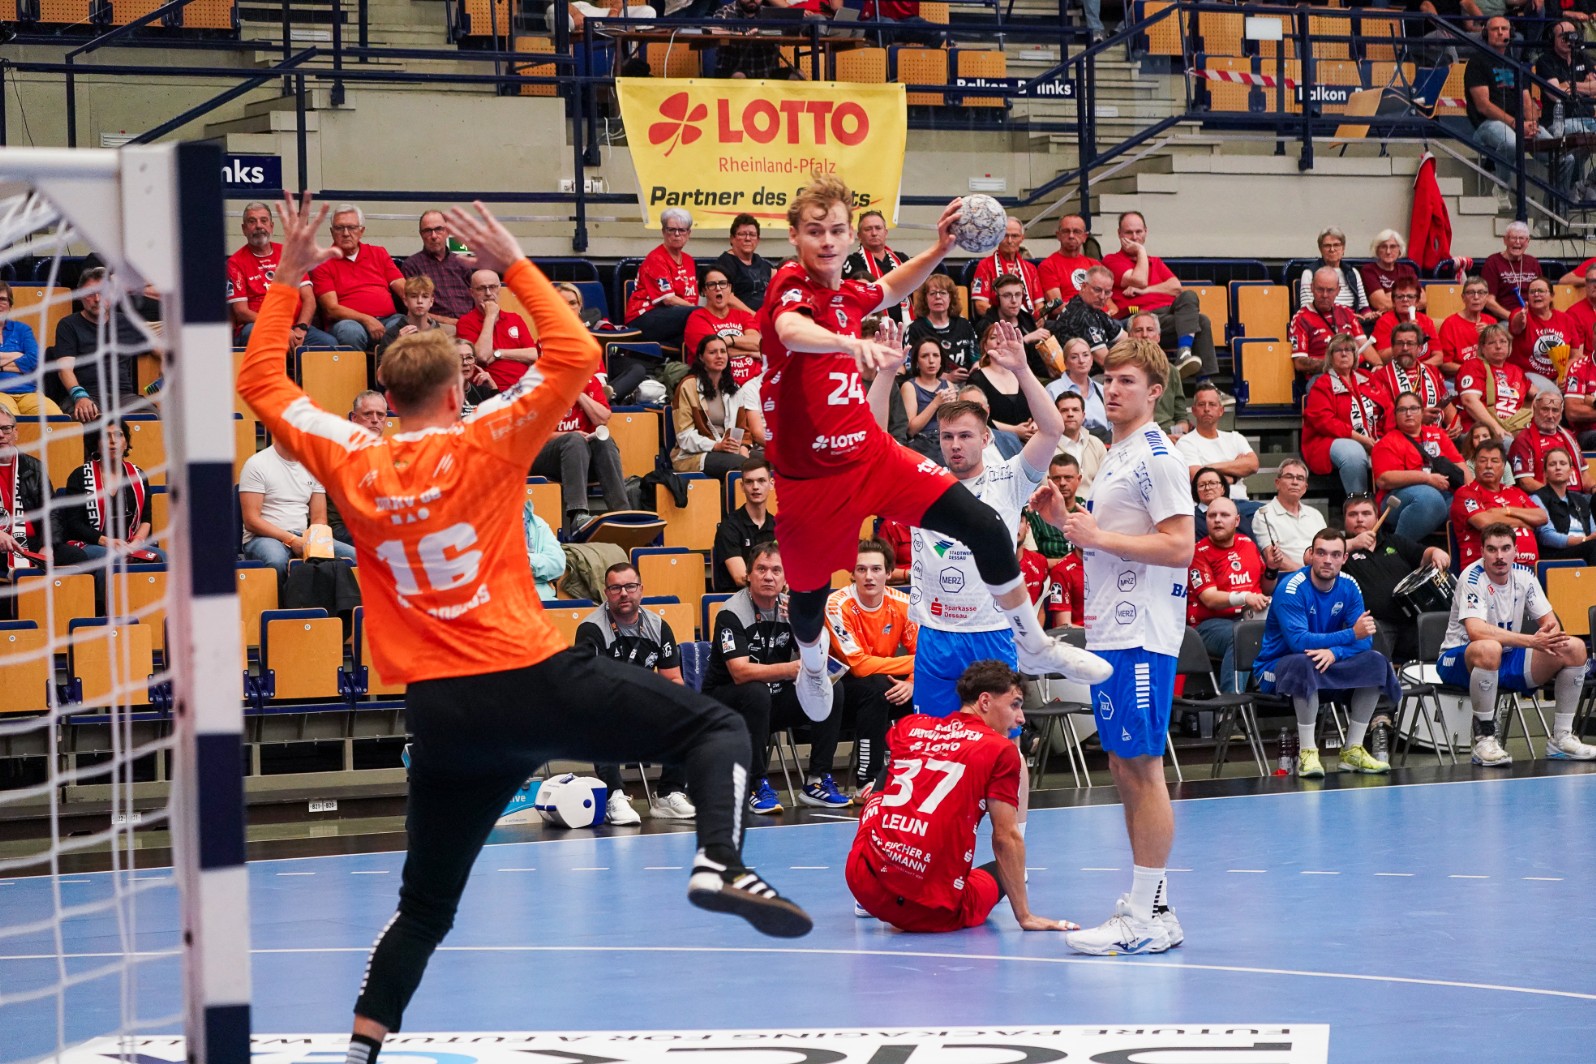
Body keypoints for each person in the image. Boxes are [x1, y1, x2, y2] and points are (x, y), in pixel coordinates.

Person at [237, 195, 812, 1063]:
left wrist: (285, 280)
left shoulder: (349, 456)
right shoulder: (484, 438)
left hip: (440, 713)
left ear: (386, 396)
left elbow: (260, 384)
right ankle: (719, 861)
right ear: (456, 388)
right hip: (526, 677)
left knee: (424, 907)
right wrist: (513, 263)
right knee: (717, 727)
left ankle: (361, 1051)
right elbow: (576, 353)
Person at [757, 175, 1108, 735]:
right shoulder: (791, 285)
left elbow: (890, 286)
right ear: (795, 235)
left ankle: (1034, 643)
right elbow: (789, 329)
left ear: (851, 237)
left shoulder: (849, 293)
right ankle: (815, 664)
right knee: (807, 596)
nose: (827, 241)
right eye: (815, 231)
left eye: (837, 231)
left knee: (985, 525)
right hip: (810, 479)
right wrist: (850, 343)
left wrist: (941, 249)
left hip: (870, 455)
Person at [1030, 337, 1191, 957]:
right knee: (1124, 766)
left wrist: (1097, 535)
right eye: (1110, 380)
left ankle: (1146, 917)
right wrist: (1067, 520)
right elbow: (1114, 538)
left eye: (1128, 381)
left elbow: (1179, 546)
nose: (1114, 389)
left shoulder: (1157, 456)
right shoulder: (1119, 453)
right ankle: (1155, 907)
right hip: (1111, 629)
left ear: (1154, 392)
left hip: (1142, 632)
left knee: (1142, 768)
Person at [846, 660, 1079, 934]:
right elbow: (1005, 838)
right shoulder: (1000, 750)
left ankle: (877, 880)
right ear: (985, 701)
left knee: (885, 784)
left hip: (864, 882)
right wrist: (1025, 916)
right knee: (1001, 872)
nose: (1021, 719)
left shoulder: (911, 726)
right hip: (927, 911)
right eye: (1015, 705)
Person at [906, 334, 1063, 719]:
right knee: (935, 740)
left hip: (992, 630)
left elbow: (1051, 430)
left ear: (986, 437)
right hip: (936, 632)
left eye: (965, 435)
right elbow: (874, 442)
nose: (955, 445)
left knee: (1003, 742)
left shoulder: (1009, 478)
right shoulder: (921, 482)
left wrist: (1022, 369)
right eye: (947, 437)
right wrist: (886, 373)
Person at [702, 543, 850, 812]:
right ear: (748, 575)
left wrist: (802, 624)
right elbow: (740, 672)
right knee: (755, 691)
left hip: (771, 699)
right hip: (727, 702)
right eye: (761, 569)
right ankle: (755, 784)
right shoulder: (731, 613)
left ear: (786, 578)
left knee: (831, 689)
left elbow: (814, 658)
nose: (768, 576)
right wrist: (790, 670)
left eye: (776, 570)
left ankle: (817, 780)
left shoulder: (790, 608)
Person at [1437, 522, 1595, 766]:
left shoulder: (1525, 576)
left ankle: (1561, 738)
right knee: (1490, 648)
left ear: (1515, 550)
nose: (1499, 556)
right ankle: (1484, 739)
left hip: (1506, 656)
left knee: (1573, 648)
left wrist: (1550, 635)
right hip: (1458, 659)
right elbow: (1477, 632)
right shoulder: (1472, 576)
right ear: (1482, 551)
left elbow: (1551, 623)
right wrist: (1532, 641)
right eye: (1492, 549)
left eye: (1505, 548)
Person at [1254, 528, 1400, 779]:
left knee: (1375, 661)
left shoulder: (1349, 585)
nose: (1327, 560)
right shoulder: (1291, 588)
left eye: (1335, 555)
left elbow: (1365, 640)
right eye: (1321, 553)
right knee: (1305, 662)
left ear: (1344, 558)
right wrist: (1350, 634)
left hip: (1325, 662)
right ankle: (1308, 752)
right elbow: (1299, 642)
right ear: (1310, 555)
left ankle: (1352, 749)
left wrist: (1335, 652)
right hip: (1275, 668)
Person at [576, 562, 699, 824]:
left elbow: (673, 679)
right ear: (606, 593)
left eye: (630, 586)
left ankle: (669, 793)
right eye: (616, 588)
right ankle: (614, 795)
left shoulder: (658, 626)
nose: (624, 593)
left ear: (641, 590)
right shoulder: (591, 629)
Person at [825, 539, 918, 793]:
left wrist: (912, 682)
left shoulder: (904, 603)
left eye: (876, 569)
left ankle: (923, 776)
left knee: (936, 685)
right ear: (852, 573)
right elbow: (858, 666)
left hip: (885, 683)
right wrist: (915, 664)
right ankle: (868, 781)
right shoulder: (836, 604)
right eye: (861, 569)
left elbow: (925, 655)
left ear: (889, 573)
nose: (869, 576)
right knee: (876, 687)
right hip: (839, 690)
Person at [1101, 210, 1217, 380]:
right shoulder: (1111, 260)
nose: (1134, 237)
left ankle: (1186, 356)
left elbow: (1176, 288)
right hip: (1138, 317)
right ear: (1119, 234)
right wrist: (1141, 251)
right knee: (1201, 321)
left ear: (1145, 232)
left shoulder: (1155, 261)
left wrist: (1145, 291)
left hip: (1167, 316)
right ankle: (1202, 380)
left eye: (1139, 232)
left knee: (1190, 297)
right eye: (1129, 232)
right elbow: (1139, 280)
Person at [1341, 492, 1449, 664]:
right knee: (1374, 659)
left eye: (1366, 513)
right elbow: (1313, 558)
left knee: (1443, 647)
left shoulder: (1394, 542)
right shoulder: (1339, 551)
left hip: (1412, 621)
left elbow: (1423, 554)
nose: (1359, 519)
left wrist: (1436, 552)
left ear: (1377, 517)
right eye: (1353, 514)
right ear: (1345, 519)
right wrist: (1353, 543)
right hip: (1375, 625)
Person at [238, 432, 357, 583]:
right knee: (276, 561)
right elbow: (251, 520)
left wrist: (314, 543)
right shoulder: (256, 464)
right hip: (264, 537)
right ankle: (280, 599)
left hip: (303, 535)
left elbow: (319, 518)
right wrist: (292, 540)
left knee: (355, 557)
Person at [534, 357, 631, 536]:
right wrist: (569, 435)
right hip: (543, 458)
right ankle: (578, 515)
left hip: (579, 459)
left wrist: (577, 392)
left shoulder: (589, 381)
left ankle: (621, 512)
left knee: (604, 440)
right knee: (574, 439)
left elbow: (602, 419)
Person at [1188, 496, 1272, 693]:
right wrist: (1244, 597)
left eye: (1224, 515)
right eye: (1212, 515)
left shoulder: (1248, 544)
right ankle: (1231, 704)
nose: (1217, 520)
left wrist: (1272, 569)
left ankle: (1277, 693)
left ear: (1237, 521)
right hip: (1208, 625)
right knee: (1242, 634)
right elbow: (1209, 598)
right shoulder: (1198, 552)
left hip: (1248, 618)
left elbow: (1266, 589)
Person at [53, 267, 156, 423]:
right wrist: (80, 396)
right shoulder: (68, 325)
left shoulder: (126, 321)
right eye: (90, 293)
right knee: (87, 418)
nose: (97, 299)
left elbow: (157, 347)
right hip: (88, 395)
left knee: (153, 418)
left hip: (123, 396)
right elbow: (64, 369)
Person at [226, 201, 333, 347]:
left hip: (295, 327)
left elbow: (309, 299)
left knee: (329, 344)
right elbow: (241, 311)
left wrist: (301, 328)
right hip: (260, 326)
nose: (258, 226)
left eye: (264, 220)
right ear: (244, 229)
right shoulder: (235, 263)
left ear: (271, 226)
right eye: (252, 221)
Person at [1372, 390, 1471, 541]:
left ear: (1422, 411)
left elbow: (1460, 465)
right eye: (1402, 410)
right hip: (1398, 500)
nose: (1408, 413)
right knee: (1430, 498)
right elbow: (1384, 479)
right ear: (1395, 415)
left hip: (1444, 496)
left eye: (1413, 408)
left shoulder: (1438, 434)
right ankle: (1396, 548)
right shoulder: (1387, 442)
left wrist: (1472, 492)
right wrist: (1427, 478)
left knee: (1469, 504)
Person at [309, 204, 405, 351]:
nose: (346, 233)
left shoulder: (378, 253)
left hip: (388, 319)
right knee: (350, 331)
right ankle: (358, 368)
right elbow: (331, 308)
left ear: (361, 231)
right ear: (332, 232)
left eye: (352, 227)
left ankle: (387, 366)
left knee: (404, 326)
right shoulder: (323, 262)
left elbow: (404, 290)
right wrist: (366, 319)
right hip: (348, 323)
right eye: (339, 228)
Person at [0, 406, 80, 572]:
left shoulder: (34, 467)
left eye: (6, 428)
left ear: (15, 433)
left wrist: (48, 545)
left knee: (76, 557)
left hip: (32, 541)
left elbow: (51, 512)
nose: (1, 435)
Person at [1303, 334, 1384, 496]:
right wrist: (1361, 439)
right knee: (1353, 452)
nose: (1344, 353)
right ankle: (1358, 501)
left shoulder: (1367, 378)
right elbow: (1325, 422)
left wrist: (1384, 437)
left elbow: (1386, 409)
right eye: (1338, 350)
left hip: (1373, 437)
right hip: (1328, 441)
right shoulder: (1322, 384)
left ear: (1355, 355)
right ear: (1330, 357)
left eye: (1349, 350)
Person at [1451, 437, 1544, 566]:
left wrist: (1506, 511)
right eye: (1483, 461)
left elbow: (1542, 516)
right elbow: (1484, 522)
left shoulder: (1515, 491)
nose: (1488, 466)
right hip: (1484, 569)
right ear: (1475, 464)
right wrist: (1524, 523)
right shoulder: (1466, 493)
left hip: (1528, 569)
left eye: (1494, 461)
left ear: (1504, 466)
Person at [672, 335, 754, 477]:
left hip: (729, 451)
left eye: (723, 351)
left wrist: (743, 449)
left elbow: (742, 430)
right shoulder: (688, 386)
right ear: (701, 357)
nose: (719, 356)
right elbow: (684, 437)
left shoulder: (735, 389)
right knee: (742, 466)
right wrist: (716, 446)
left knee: (770, 462)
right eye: (712, 352)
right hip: (695, 455)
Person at [455, 269, 542, 395]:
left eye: (492, 287)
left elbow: (533, 354)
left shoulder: (515, 318)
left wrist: (498, 354)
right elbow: (482, 356)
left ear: (499, 288)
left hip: (523, 389)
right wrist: (490, 316)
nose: (488, 293)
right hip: (491, 391)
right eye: (481, 288)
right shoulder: (465, 322)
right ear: (472, 292)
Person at [1177, 381, 1260, 507]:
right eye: (1201, 404)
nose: (1206, 409)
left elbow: (1253, 465)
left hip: (1241, 503)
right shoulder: (1185, 443)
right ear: (1194, 411)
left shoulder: (1235, 438)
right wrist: (1234, 476)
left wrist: (1209, 467)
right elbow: (1200, 479)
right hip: (1207, 506)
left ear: (1221, 410)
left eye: (1212, 404)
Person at [625, 209, 700, 346]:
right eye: (671, 229)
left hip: (674, 317)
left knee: (698, 336)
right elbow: (669, 300)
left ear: (689, 233)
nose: (677, 234)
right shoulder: (656, 258)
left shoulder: (689, 260)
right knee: (699, 315)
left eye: (682, 230)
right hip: (644, 316)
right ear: (663, 232)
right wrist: (701, 311)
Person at [326, 389, 390, 545]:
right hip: (343, 531)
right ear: (354, 418)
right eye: (368, 414)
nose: (375, 420)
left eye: (380, 415)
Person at [682, 266, 763, 386]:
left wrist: (728, 340)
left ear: (730, 288)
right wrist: (751, 352)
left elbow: (758, 343)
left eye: (723, 283)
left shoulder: (743, 316)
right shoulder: (697, 318)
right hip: (720, 384)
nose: (718, 288)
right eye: (712, 284)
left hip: (756, 381)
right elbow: (712, 353)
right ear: (704, 290)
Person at [1289, 265, 1374, 376]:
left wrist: (1379, 365)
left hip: (1355, 373)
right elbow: (1299, 363)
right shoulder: (1301, 318)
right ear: (1311, 288)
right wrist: (1333, 364)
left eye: (1330, 290)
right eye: (1320, 289)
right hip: (1323, 375)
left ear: (1338, 290)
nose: (1324, 295)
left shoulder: (1347, 313)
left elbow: (1366, 347)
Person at [1457, 322, 1534, 439]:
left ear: (1509, 346)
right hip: (1482, 429)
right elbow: (1469, 401)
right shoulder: (1473, 366)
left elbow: (1540, 395)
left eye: (1503, 342)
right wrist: (1496, 427)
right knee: (1510, 442)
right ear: (1482, 348)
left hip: (1514, 427)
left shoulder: (1516, 370)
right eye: (1492, 342)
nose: (1498, 346)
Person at [399, 209, 477, 323]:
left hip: (470, 324)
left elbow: (477, 297)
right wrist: (449, 321)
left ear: (447, 231)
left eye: (438, 229)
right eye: (427, 231)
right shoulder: (412, 266)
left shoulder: (462, 262)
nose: (434, 236)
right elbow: (411, 308)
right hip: (436, 326)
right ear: (421, 235)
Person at [712, 456, 777, 592]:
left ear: (771, 484)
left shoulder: (778, 527)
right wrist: (777, 581)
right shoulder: (729, 527)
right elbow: (740, 578)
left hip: (773, 596)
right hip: (737, 598)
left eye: (761, 481)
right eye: (749, 482)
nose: (755, 487)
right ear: (742, 486)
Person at [1508, 389, 1593, 492]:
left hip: (1577, 496)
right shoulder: (1524, 439)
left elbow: (1584, 474)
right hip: (1546, 498)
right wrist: (1557, 497)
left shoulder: (1569, 435)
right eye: (1545, 409)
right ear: (1534, 409)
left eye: (1555, 410)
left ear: (1561, 412)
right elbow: (1525, 482)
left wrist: (1594, 488)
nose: (1550, 415)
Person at [975, 273, 1057, 381]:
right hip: (1001, 378)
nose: (1014, 300)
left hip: (1030, 377)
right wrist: (1025, 340)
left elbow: (1035, 362)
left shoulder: (1027, 320)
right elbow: (992, 360)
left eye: (1018, 295)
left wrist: (1050, 371)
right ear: (996, 299)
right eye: (1007, 295)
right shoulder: (987, 325)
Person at [1371, 321, 1451, 429]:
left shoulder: (1432, 371)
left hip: (1436, 434)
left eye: (1410, 343)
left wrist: (1454, 423)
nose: (1405, 348)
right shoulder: (1380, 377)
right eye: (1399, 343)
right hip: (1401, 435)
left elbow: (1446, 404)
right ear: (1392, 347)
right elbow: (1384, 418)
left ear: (1420, 348)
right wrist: (1418, 417)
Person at [1129, 310, 1195, 436]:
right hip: (1136, 436)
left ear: (1158, 337)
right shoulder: (1122, 371)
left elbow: (1181, 417)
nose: (1145, 335)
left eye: (1150, 330)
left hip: (1169, 436)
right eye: (1138, 330)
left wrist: (1177, 435)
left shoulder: (1172, 371)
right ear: (1130, 336)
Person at [1508, 276, 1578, 396]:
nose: (1536, 294)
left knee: (1579, 392)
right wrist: (1521, 318)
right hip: (1528, 375)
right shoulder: (1521, 313)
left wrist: (1564, 375)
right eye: (1532, 292)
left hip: (1559, 376)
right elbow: (1516, 327)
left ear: (1552, 296)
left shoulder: (1566, 320)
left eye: (1541, 291)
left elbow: (1575, 355)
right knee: (1552, 395)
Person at [904, 274, 978, 386]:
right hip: (930, 384)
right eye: (932, 293)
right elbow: (910, 367)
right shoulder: (914, 329)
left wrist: (975, 369)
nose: (938, 297)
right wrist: (946, 377)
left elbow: (976, 357)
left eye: (943, 293)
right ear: (925, 299)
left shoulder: (964, 324)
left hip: (966, 383)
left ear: (950, 297)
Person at [1252, 457, 1326, 569]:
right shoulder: (1263, 515)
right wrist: (1307, 574)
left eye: (1300, 478)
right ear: (1277, 483)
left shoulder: (1315, 515)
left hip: (1319, 573)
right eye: (1289, 477)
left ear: (1305, 487)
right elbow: (1274, 559)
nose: (1295, 482)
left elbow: (1327, 548)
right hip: (1288, 576)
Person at [842, 209, 911, 324]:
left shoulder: (901, 259)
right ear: (859, 235)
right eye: (868, 229)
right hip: (870, 326)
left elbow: (916, 291)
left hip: (905, 326)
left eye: (878, 228)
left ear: (885, 232)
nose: (874, 233)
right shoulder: (852, 261)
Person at [0, 283, 59, 418]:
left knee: (56, 418)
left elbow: (35, 359)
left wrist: (2, 366)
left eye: (2, 299)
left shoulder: (22, 329)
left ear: (10, 305)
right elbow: (28, 360)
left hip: (29, 393)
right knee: (10, 421)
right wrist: (18, 355)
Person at [1293, 226, 1373, 322]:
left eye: (1336, 245)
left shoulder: (1352, 272)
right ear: (1320, 249)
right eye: (1327, 246)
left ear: (1343, 248)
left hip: (1352, 322)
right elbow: (1307, 310)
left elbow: (1364, 308)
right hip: (1321, 322)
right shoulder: (1309, 273)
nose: (1332, 249)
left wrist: (1370, 316)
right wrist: (1345, 317)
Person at [1049, 264, 1127, 363]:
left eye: (1107, 292)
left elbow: (1128, 340)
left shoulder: (1093, 308)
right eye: (1097, 290)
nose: (1102, 297)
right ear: (1084, 286)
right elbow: (1106, 362)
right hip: (1086, 371)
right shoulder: (1081, 314)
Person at [969, 217, 1044, 318]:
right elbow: (980, 306)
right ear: (997, 237)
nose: (1009, 241)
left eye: (1015, 236)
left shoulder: (1031, 269)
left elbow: (1039, 304)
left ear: (1022, 238)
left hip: (1028, 322)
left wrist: (1040, 318)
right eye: (1005, 235)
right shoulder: (984, 266)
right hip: (996, 322)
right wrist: (1009, 319)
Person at [1532, 446, 1596, 562]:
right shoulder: (1537, 498)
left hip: (1587, 548)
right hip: (1557, 554)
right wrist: (1583, 540)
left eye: (1563, 463)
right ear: (1545, 473)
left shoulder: (1580, 500)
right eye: (1552, 464)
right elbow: (1546, 536)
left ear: (1570, 471)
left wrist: (1588, 540)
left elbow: (1593, 530)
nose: (1558, 467)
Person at [900, 337, 954, 463]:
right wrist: (936, 403)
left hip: (947, 439)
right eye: (925, 356)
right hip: (922, 443)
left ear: (941, 360)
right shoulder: (909, 386)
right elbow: (911, 430)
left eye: (935, 355)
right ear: (917, 362)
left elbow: (955, 422)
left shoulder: (948, 385)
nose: (931, 361)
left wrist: (951, 407)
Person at [1478, 219, 1543, 321]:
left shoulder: (1533, 262)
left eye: (1521, 238)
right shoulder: (1493, 262)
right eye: (1513, 238)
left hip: (1532, 317)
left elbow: (1542, 294)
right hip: (1505, 319)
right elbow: (1488, 301)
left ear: (1528, 241)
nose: (1517, 242)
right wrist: (1513, 317)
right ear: (1505, 240)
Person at [1044, 337, 1109, 437]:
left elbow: (1112, 424)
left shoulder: (1102, 389)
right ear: (1066, 363)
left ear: (1091, 360)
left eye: (1085, 355)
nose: (1081, 361)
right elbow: (1048, 426)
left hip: (1103, 442)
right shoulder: (1053, 389)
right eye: (1074, 357)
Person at [1435, 276, 1497, 380]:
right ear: (1463, 297)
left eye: (1481, 292)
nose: (1476, 297)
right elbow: (1445, 364)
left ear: (1486, 297)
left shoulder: (1491, 322)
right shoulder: (1450, 324)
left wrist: (1490, 336)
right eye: (1471, 292)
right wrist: (1473, 370)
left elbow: (1499, 357)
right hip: (1459, 377)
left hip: (1488, 377)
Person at [1038, 214, 1104, 308]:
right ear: (1058, 235)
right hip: (1072, 315)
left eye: (1077, 232)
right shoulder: (1048, 265)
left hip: (1101, 314)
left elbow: (1110, 304)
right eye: (1066, 231)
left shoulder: (1095, 265)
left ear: (1085, 237)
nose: (1071, 236)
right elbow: (1056, 306)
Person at [713, 213, 773, 313]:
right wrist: (755, 316)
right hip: (740, 318)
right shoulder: (724, 264)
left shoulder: (763, 264)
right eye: (742, 234)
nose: (748, 239)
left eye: (752, 235)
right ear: (732, 238)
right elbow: (727, 298)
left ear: (758, 240)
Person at [1369, 279, 1440, 364]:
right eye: (1400, 297)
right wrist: (1405, 334)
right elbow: (1383, 357)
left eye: (1410, 296)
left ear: (1417, 301)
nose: (1405, 300)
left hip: (1424, 367)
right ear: (1394, 301)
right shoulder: (1385, 321)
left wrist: (1419, 368)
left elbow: (1439, 357)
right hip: (1397, 368)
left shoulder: (1426, 321)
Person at [1052, 391, 1107, 490]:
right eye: (1064, 410)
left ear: (1083, 415)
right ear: (1056, 415)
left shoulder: (1097, 444)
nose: (1070, 414)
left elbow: (1106, 481)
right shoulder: (1045, 447)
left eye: (1075, 410)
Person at [1360, 229, 1422, 316]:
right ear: (1377, 250)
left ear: (1399, 249)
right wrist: (1409, 298)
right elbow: (1382, 304)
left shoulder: (1407, 270)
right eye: (1383, 247)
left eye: (1393, 247)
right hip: (1383, 318)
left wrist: (1390, 296)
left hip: (1409, 316)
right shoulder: (1369, 270)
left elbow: (1423, 300)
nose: (1388, 251)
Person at [380, 275, 444, 352]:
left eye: (425, 296)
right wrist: (398, 345)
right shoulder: (392, 334)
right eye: (414, 296)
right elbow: (383, 360)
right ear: (405, 300)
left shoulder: (440, 333)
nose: (419, 301)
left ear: (431, 301)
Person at [522, 497, 564, 601]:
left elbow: (558, 564)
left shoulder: (538, 523)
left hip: (542, 600)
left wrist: (529, 561)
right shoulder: (487, 524)